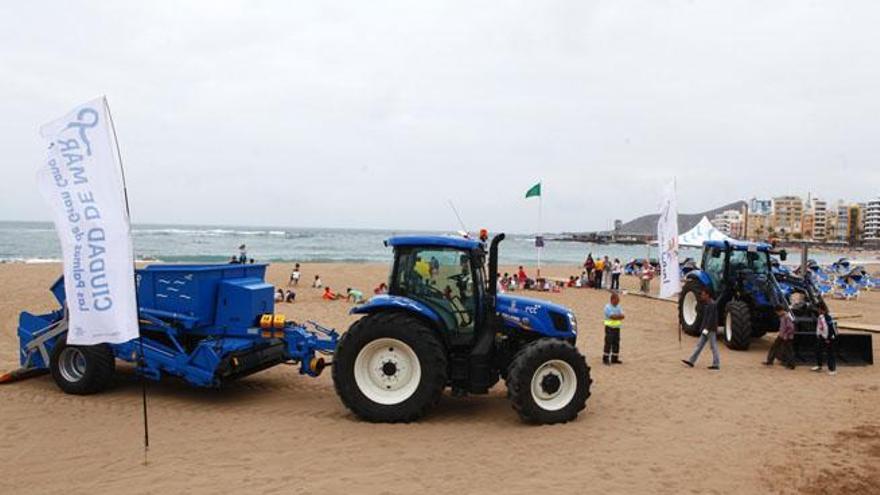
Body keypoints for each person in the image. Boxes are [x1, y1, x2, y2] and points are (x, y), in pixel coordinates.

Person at [682, 288, 720, 370]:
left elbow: (711, 318)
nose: (702, 296)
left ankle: (716, 363)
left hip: (710, 329)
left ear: (707, 295)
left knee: (713, 346)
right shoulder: (709, 304)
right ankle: (691, 361)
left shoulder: (712, 304)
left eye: (703, 294)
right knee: (699, 345)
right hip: (707, 329)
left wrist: (706, 328)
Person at [812, 303, 837, 375]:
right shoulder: (820, 316)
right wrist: (818, 334)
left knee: (830, 353)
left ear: (821, 309)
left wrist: (828, 338)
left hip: (829, 337)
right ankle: (819, 365)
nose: (817, 310)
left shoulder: (828, 317)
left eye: (818, 309)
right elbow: (820, 327)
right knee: (818, 350)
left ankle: (832, 369)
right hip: (822, 336)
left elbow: (830, 328)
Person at [603, 292, 625, 365]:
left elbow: (623, 316)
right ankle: (605, 359)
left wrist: (617, 317)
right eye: (617, 300)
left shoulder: (619, 306)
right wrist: (618, 317)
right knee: (608, 343)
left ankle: (614, 358)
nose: (618, 302)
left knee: (616, 343)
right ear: (612, 300)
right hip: (609, 327)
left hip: (617, 327)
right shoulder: (607, 307)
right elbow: (612, 316)